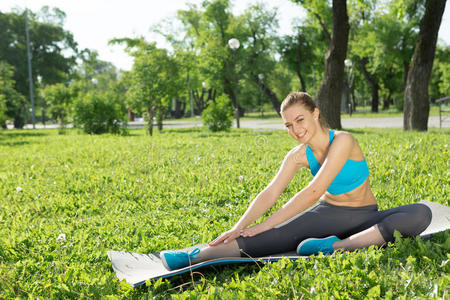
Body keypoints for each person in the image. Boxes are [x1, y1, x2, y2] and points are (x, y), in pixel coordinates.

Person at [160, 92, 432, 271]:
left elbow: (314, 190)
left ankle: (334, 247)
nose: (295, 129)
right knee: (273, 237)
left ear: (315, 113)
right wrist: (240, 227)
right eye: (288, 125)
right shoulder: (298, 155)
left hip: (365, 216)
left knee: (420, 213)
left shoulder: (344, 140)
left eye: (299, 119)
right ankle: (196, 256)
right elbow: (270, 193)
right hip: (329, 215)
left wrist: (267, 222)